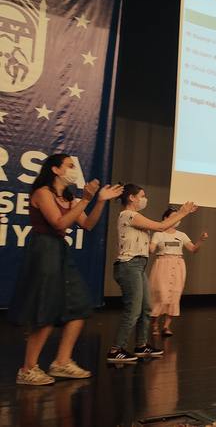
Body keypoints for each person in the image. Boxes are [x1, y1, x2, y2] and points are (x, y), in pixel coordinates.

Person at [9, 153, 122, 385]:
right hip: (44, 250)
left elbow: (87, 224)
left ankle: (61, 362)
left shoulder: (69, 198)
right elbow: (59, 223)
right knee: (46, 309)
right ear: (55, 169)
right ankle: (27, 369)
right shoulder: (42, 193)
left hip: (60, 250)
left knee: (79, 305)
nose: (73, 169)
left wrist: (100, 200)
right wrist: (85, 199)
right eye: (69, 166)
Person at [107, 184, 197, 363]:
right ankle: (116, 349)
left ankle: (141, 345)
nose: (144, 199)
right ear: (132, 197)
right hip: (129, 265)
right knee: (133, 310)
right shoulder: (129, 215)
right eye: (142, 195)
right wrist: (183, 212)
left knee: (146, 307)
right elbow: (161, 226)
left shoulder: (135, 216)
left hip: (138, 265)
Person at [149, 207, 208, 337]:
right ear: (165, 218)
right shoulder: (158, 234)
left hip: (178, 265)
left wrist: (201, 240)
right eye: (174, 216)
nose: (177, 219)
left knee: (174, 295)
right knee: (160, 294)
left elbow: (193, 249)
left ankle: (166, 326)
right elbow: (151, 249)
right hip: (163, 264)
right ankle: (154, 324)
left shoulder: (181, 235)